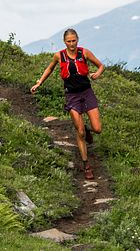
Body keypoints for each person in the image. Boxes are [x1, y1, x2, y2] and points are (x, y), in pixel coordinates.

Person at [31, 28, 105, 179]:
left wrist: (97, 73)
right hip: (72, 96)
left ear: (77, 40)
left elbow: (101, 65)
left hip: (87, 93)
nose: (71, 44)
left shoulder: (84, 52)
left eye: (74, 41)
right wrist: (39, 82)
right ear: (64, 42)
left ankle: (88, 130)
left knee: (97, 129)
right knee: (80, 132)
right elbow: (50, 68)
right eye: (69, 41)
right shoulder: (59, 55)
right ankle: (86, 165)